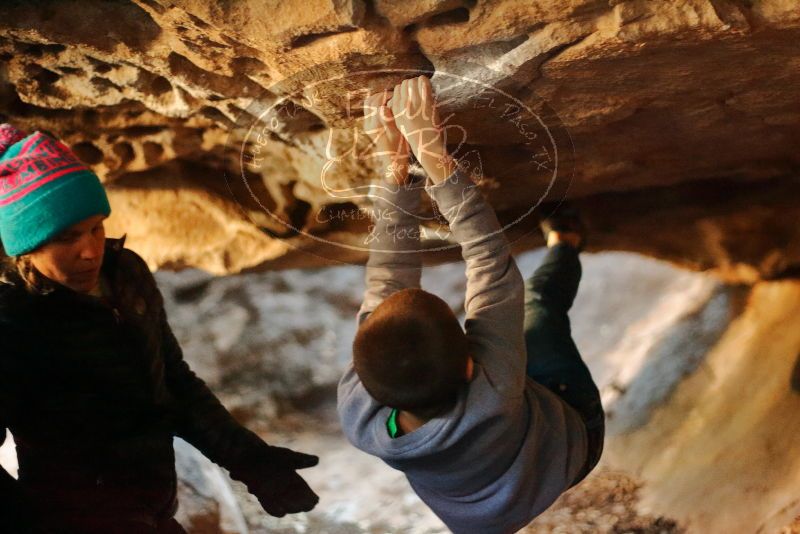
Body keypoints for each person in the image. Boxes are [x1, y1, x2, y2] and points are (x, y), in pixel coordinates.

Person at [0, 124, 320, 533]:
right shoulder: (12, 321)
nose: (91, 250)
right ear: (27, 246)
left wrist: (250, 460)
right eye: (68, 237)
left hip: (156, 506)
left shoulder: (126, 273)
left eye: (97, 226)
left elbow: (173, 381)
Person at [338, 76, 604, 534]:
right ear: (469, 366)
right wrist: (434, 155)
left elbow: (388, 278)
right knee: (538, 308)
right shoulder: (495, 386)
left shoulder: (357, 411)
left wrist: (394, 170)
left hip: (484, 515)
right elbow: (488, 259)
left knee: (519, 326)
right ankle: (565, 242)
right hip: (572, 446)